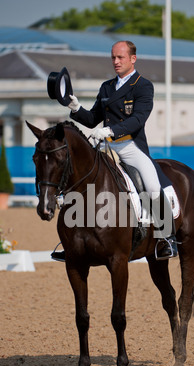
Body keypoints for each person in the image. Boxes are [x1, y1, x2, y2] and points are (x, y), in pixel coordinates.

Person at [51, 40, 178, 262]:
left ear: (133, 59)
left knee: (152, 185)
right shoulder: (107, 87)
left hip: (130, 146)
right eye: (113, 57)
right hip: (105, 145)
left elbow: (138, 119)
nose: (116, 62)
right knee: (78, 178)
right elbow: (92, 119)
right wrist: (76, 108)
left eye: (120, 57)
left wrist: (110, 130)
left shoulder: (143, 85)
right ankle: (71, 239)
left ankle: (166, 238)